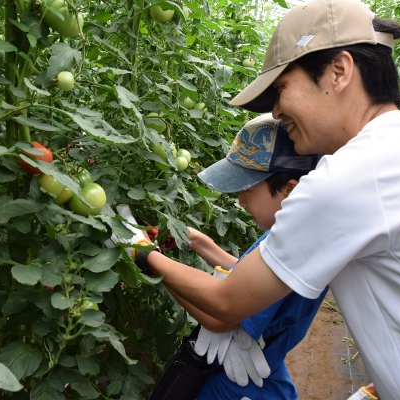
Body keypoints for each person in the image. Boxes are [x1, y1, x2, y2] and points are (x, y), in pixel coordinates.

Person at [121, 1, 400, 399]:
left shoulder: (349, 178)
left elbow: (226, 305)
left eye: (281, 89)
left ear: (339, 71)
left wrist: (140, 250)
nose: (277, 112)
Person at [111, 114, 327, 399]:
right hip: (260, 377)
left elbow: (220, 312)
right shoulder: (300, 230)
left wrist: (145, 256)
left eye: (248, 189)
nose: (241, 200)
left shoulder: (298, 248)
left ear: (290, 190)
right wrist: (200, 242)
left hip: (241, 390)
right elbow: (250, 276)